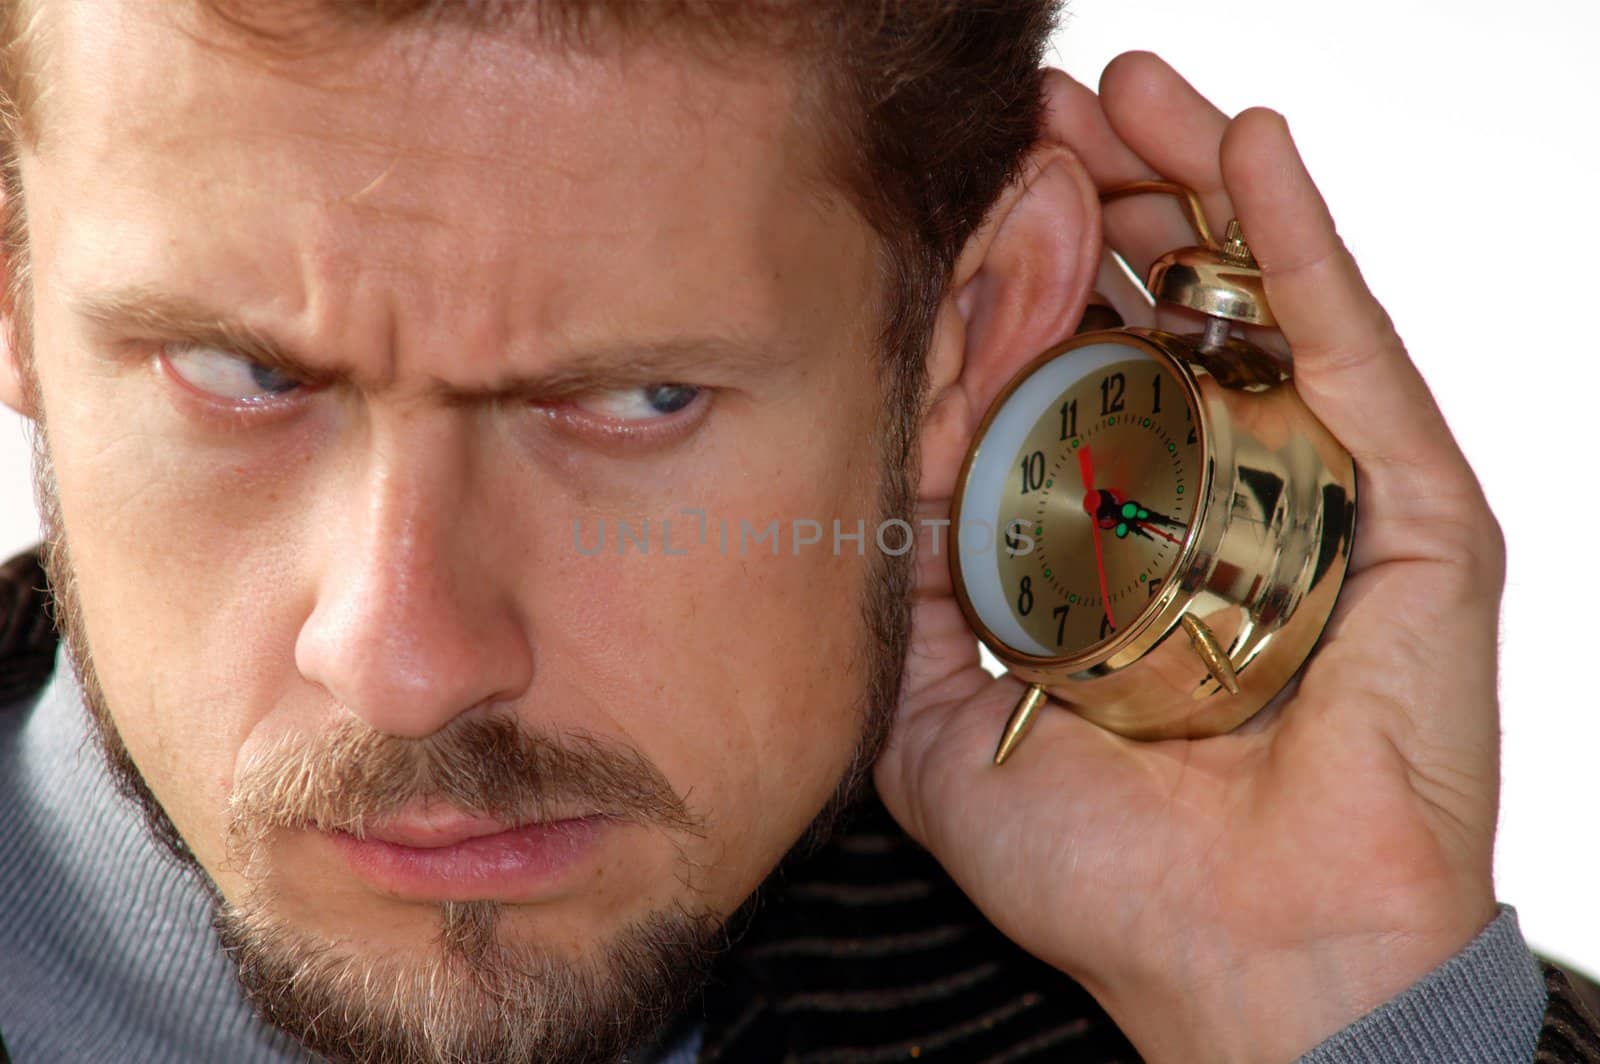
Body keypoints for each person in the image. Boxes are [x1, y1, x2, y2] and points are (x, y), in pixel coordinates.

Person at [0, 1, 1595, 1061]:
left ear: (970, 330)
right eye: (242, 372)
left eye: (633, 403)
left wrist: (1331, 1011)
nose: (409, 662)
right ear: (9, 272)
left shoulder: (1355, 1007)